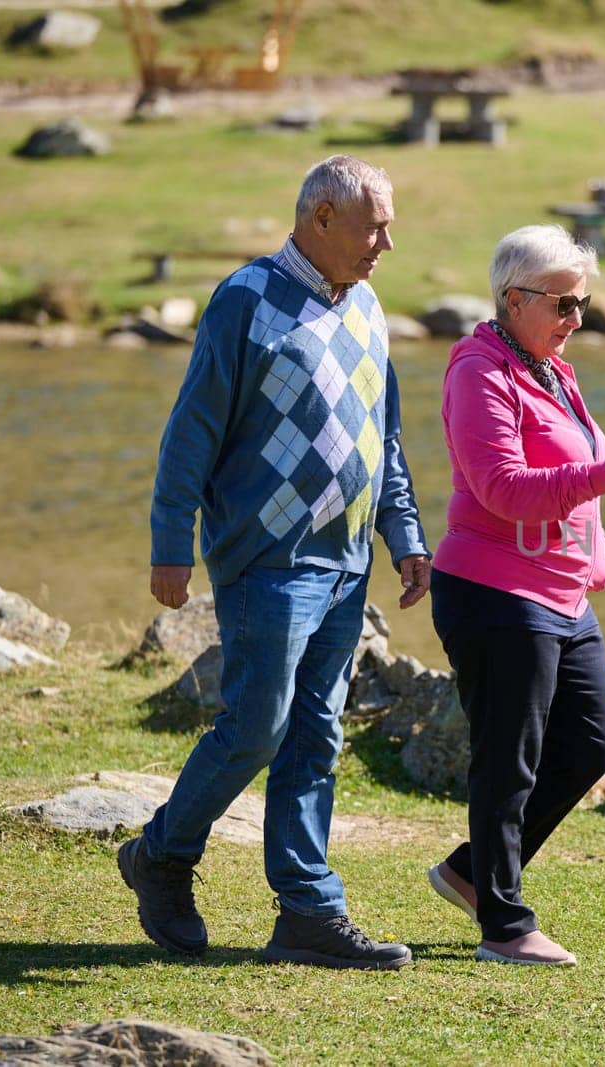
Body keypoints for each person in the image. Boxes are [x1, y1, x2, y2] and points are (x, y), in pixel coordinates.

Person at [120, 155, 430, 971]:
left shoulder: (366, 305)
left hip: (346, 559)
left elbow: (382, 435)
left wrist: (407, 537)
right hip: (268, 559)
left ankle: (307, 909)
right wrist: (168, 541)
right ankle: (162, 854)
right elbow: (191, 431)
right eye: (374, 226)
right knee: (257, 725)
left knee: (317, 733)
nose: (386, 244)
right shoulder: (244, 300)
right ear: (319, 218)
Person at [424, 224, 605, 966]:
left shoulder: (547, 367)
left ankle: (470, 872)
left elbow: (571, 478)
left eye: (584, 303)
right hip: (493, 589)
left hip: (561, 595)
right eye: (564, 303)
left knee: (589, 745)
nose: (577, 318)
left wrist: (593, 556)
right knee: (508, 760)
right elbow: (503, 489)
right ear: (513, 299)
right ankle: (504, 926)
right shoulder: (479, 371)